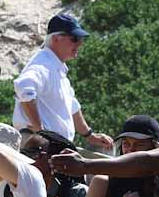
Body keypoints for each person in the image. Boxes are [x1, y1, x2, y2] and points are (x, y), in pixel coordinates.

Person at [11, 13, 114, 150]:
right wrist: (40, 132)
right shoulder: (43, 65)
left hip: (50, 145)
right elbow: (23, 86)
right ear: (55, 39)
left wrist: (89, 135)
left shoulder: (56, 67)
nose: (80, 43)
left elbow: (72, 106)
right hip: (39, 147)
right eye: (74, 38)